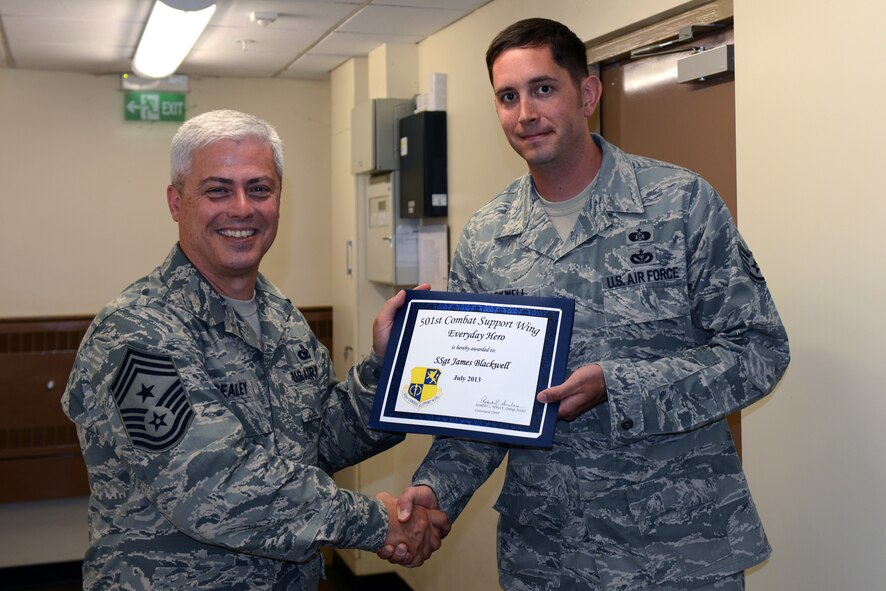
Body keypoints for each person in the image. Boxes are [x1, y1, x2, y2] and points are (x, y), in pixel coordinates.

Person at [380, 18, 789, 590]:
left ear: (588, 93)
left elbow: (760, 351)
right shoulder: (485, 237)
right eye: (507, 96)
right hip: (548, 556)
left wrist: (619, 388)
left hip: (679, 548)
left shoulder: (679, 204)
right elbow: (478, 407)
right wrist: (433, 490)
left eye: (543, 88)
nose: (525, 112)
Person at [62, 109, 449, 590]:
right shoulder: (137, 331)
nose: (242, 208)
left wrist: (390, 368)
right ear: (176, 202)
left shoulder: (280, 317)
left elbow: (319, 438)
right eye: (218, 189)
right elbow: (212, 488)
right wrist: (380, 522)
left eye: (260, 188)